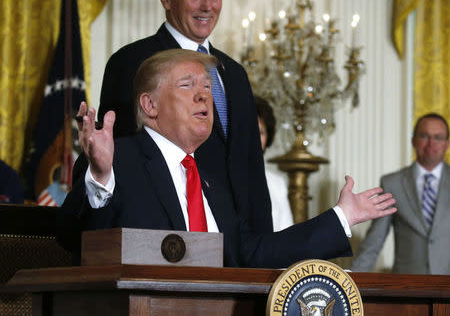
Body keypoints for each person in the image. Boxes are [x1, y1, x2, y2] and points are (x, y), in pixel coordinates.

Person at [58, 49, 397, 268]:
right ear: (150, 105)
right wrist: (100, 178)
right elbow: (76, 240)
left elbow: (252, 254)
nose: (203, 94)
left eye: (206, 87)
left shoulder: (211, 180)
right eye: (188, 85)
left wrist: (342, 217)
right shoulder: (117, 161)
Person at [96, 0, 273, 234]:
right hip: (170, 238)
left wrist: (263, 245)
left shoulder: (235, 73)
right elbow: (118, 156)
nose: (207, 6)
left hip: (239, 244)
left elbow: (252, 168)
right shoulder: (131, 62)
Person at [351, 113, 450, 274]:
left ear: (447, 144)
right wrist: (349, 285)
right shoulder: (392, 183)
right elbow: (374, 242)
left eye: (438, 137)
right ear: (413, 141)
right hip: (407, 287)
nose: (431, 143)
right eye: (424, 136)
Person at [255, 96, 293, 231]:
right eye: (249, 131)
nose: (253, 138)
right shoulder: (220, 178)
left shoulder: (277, 183)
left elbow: (286, 235)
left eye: (259, 132)